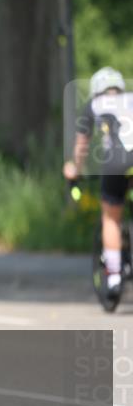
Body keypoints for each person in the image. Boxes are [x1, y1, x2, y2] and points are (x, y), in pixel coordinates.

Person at [63, 67, 133, 298]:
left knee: (111, 217)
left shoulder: (94, 104)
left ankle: (113, 278)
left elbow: (82, 144)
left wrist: (75, 169)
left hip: (117, 164)